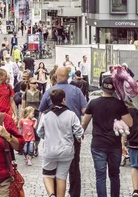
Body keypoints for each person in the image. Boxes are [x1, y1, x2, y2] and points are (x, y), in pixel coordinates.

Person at [39, 66, 87, 197]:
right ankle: (74, 193)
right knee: (73, 169)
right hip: (71, 137)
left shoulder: (50, 91)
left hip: (53, 137)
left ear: (56, 77)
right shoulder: (76, 91)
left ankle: (53, 193)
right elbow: (85, 111)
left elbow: (42, 110)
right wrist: (81, 132)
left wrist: (44, 135)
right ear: (68, 76)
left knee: (51, 171)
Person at [82, 75, 133, 197]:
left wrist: (80, 134)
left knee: (100, 176)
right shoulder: (119, 104)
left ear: (102, 88)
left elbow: (84, 123)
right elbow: (130, 122)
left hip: (98, 144)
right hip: (114, 144)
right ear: (114, 89)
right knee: (114, 175)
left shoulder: (93, 103)